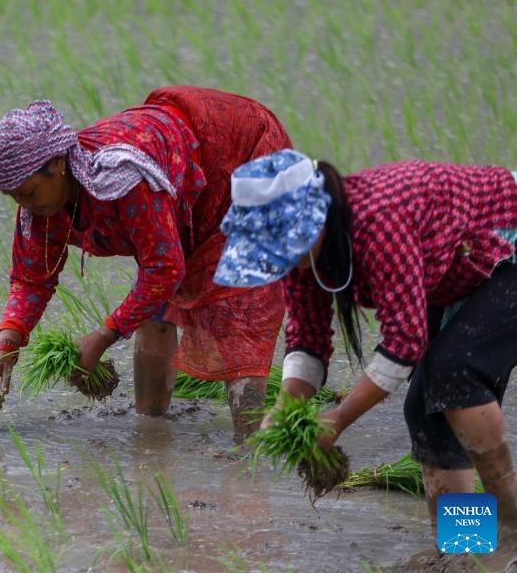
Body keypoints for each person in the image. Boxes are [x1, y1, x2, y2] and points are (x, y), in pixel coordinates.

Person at [212, 148, 517, 546]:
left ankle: (509, 517)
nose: (281, 259)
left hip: (505, 242)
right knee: (427, 411)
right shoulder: (306, 259)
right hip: (460, 268)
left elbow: (404, 342)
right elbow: (308, 339)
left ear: (314, 220)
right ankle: (465, 546)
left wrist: (337, 418)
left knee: (452, 370)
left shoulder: (377, 220)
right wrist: (285, 408)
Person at [0, 86, 292, 443]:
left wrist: (102, 336)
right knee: (158, 299)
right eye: (14, 197)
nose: (24, 204)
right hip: (181, 168)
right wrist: (5, 346)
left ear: (59, 164)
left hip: (241, 155)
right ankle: (152, 432)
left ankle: (249, 449)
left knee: (237, 302)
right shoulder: (39, 210)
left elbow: (164, 269)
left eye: (29, 192)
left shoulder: (122, 178)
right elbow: (31, 280)